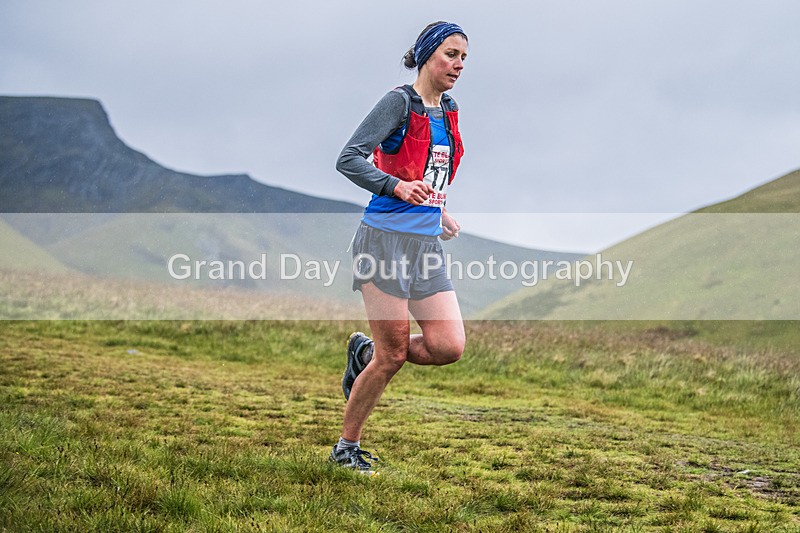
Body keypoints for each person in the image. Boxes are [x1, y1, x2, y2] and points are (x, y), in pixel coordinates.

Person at [330, 21, 469, 474]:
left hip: (425, 245)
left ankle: (364, 354)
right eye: (451, 54)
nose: (458, 65)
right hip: (383, 241)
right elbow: (348, 158)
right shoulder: (398, 103)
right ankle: (346, 448)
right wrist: (395, 186)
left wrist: (439, 211)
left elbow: (431, 172)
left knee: (448, 346)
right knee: (392, 357)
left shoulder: (448, 110)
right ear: (428, 55)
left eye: (463, 58)